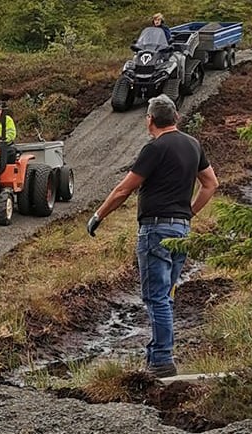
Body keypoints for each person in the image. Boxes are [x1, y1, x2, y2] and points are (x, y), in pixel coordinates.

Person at [86, 96, 218, 378]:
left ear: (149, 120)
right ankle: (159, 356)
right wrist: (188, 213)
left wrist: (98, 216)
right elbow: (210, 184)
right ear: (176, 118)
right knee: (166, 295)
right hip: (182, 231)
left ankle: (160, 361)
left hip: (155, 229)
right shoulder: (193, 145)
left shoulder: (154, 148)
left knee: (156, 297)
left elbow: (124, 190)